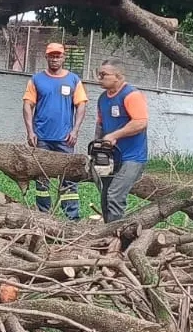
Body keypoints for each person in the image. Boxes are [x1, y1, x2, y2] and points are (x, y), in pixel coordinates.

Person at [23, 41, 89, 219]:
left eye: (58, 55)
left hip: (65, 140)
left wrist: (75, 131)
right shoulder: (36, 80)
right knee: (41, 179)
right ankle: (44, 216)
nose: (55, 59)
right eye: (51, 55)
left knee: (69, 179)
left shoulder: (74, 80)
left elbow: (81, 106)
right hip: (41, 139)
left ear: (64, 57)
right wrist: (30, 131)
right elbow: (27, 105)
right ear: (46, 57)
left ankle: (71, 218)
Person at [92, 60, 149, 222]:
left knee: (115, 195)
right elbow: (101, 124)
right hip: (111, 157)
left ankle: (116, 236)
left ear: (118, 76)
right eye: (99, 73)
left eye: (103, 75)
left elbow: (141, 122)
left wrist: (115, 135)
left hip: (133, 157)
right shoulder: (102, 98)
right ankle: (107, 231)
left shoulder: (131, 95)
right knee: (105, 196)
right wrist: (97, 147)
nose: (99, 78)